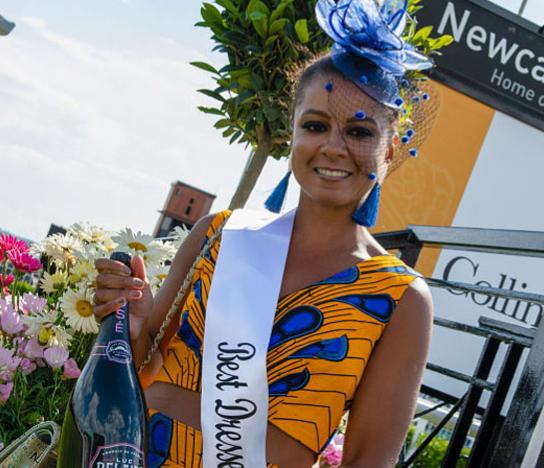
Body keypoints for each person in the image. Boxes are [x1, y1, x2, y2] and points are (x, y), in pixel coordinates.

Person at [93, 1, 435, 466]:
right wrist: (131, 327)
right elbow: (140, 368)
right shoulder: (219, 234)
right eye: (315, 126)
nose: (334, 147)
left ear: (389, 149)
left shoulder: (400, 298)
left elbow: (368, 460)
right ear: (291, 133)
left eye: (359, 132)